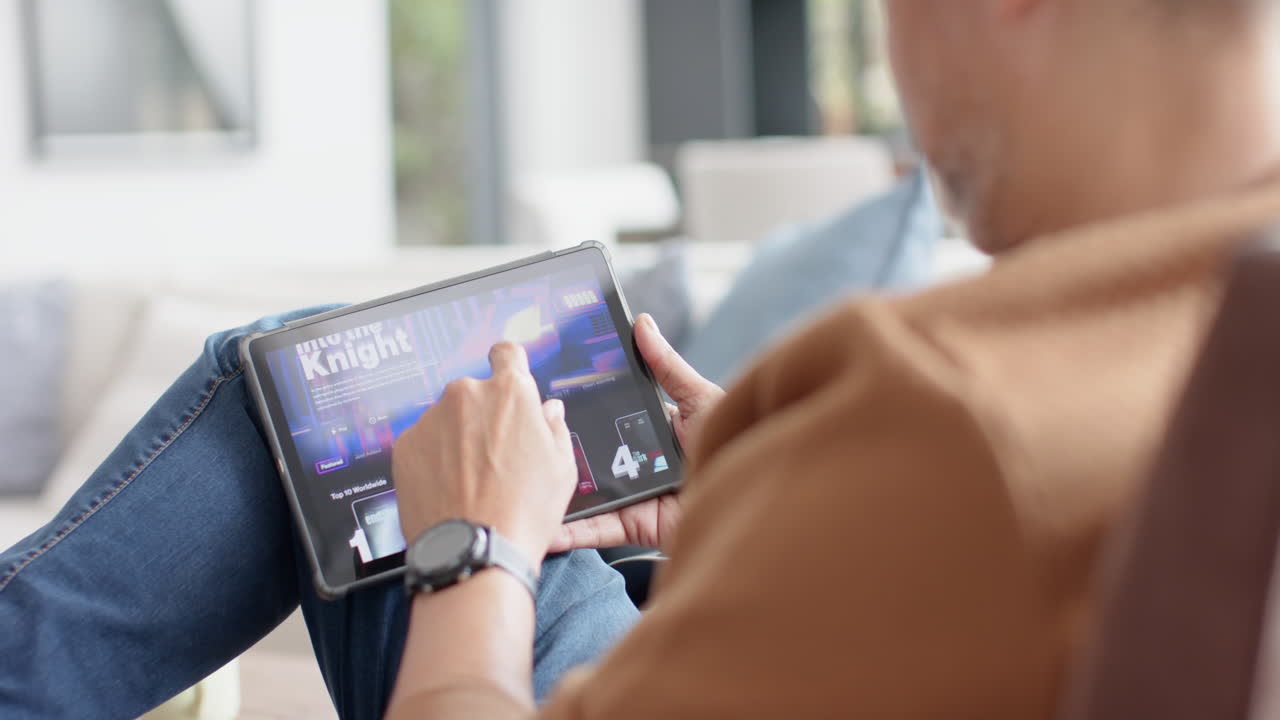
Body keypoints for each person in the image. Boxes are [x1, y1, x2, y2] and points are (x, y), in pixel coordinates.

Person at [3, 0, 1279, 718]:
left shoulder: (957, 407)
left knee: (324, 400)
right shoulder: (1208, 317)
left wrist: (473, 553)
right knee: (329, 392)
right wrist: (783, 496)